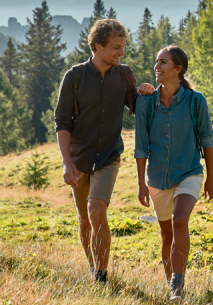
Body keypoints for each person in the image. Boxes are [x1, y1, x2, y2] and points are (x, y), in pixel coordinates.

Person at [54, 19, 155, 283]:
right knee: (84, 218)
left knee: (96, 209)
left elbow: (138, 108)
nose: (121, 52)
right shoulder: (74, 77)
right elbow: (62, 123)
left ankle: (101, 275)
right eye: (115, 47)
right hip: (79, 158)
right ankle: (92, 267)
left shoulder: (124, 75)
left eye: (123, 46)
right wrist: (67, 162)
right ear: (97, 46)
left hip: (109, 157)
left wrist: (145, 93)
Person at [134, 45, 213, 301]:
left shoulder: (196, 101)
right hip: (157, 177)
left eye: (163, 62)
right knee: (166, 233)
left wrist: (210, 178)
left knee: (180, 220)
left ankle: (177, 288)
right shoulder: (146, 102)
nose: (157, 67)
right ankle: (171, 284)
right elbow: (140, 146)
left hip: (189, 172)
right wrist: (140, 184)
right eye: (156, 62)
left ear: (178, 69)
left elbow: (207, 139)